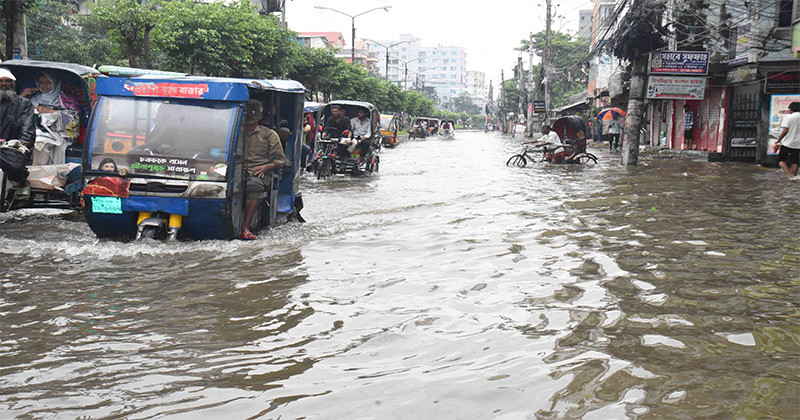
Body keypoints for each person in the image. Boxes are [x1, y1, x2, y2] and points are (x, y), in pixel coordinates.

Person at [241, 100, 287, 240]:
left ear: (260, 116)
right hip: (236, 171)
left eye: (255, 112)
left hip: (259, 174)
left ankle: (245, 227)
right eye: (248, 111)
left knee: (254, 185)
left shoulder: (269, 134)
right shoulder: (235, 132)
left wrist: (266, 167)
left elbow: (281, 160)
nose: (251, 114)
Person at [21, 72, 80, 166]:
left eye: (48, 82)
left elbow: (74, 121)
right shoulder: (35, 99)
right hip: (36, 132)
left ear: (55, 82)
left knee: (42, 144)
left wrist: (52, 112)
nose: (45, 85)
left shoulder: (67, 99)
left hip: (61, 135)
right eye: (41, 82)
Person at [0, 68, 36, 199]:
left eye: (8, 81)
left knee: (14, 166)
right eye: (1, 81)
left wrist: (21, 145)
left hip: (12, 150)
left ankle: (21, 182)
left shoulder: (24, 104)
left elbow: (27, 131)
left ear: (13, 83)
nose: (4, 84)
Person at [775, 101, 800, 180]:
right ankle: (794, 176)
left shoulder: (789, 117)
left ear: (791, 109)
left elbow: (785, 131)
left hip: (787, 143)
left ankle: (789, 175)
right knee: (795, 161)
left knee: (781, 160)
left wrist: (778, 141)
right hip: (798, 143)